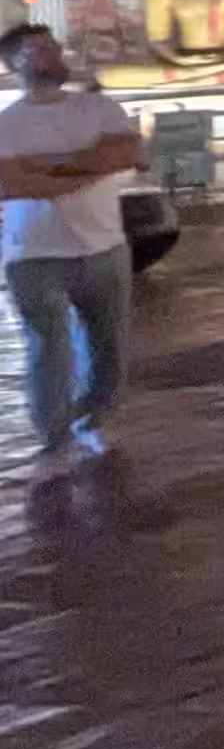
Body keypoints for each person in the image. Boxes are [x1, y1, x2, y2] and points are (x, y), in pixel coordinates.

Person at [0, 24, 144, 472]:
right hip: (34, 254)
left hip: (104, 246)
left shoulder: (99, 108)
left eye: (52, 46)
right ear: (13, 64)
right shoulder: (8, 123)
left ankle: (93, 417)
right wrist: (86, 166)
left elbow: (124, 156)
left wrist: (47, 172)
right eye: (36, 49)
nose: (50, 54)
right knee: (49, 348)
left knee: (110, 347)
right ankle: (54, 436)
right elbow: (12, 182)